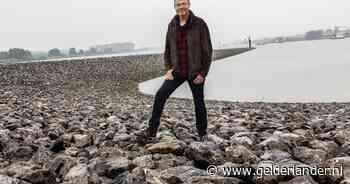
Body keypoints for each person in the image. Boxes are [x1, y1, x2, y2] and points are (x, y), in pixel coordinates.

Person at [136, 0, 213, 143]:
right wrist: (168, 70)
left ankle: (202, 134)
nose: (181, 7)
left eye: (184, 3)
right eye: (178, 4)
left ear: (189, 5)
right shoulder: (172, 25)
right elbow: (167, 51)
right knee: (160, 95)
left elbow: (208, 51)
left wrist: (203, 73)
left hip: (195, 72)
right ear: (175, 7)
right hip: (177, 72)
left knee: (199, 102)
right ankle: (151, 131)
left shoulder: (199, 24)